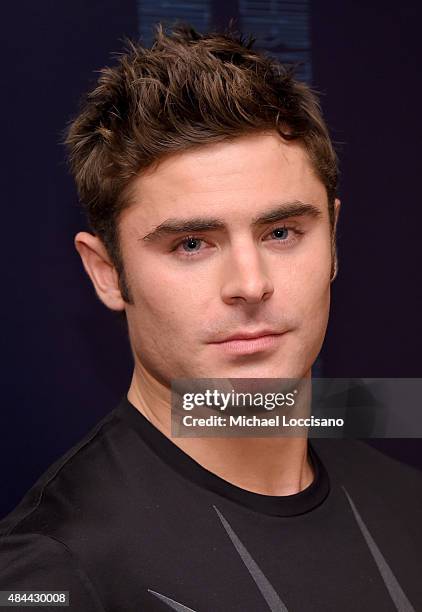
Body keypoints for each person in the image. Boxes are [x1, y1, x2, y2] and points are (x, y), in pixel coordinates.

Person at [0, 23, 421, 612]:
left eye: (281, 232)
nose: (250, 285)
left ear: (333, 241)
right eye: (192, 244)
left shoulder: (407, 503)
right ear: (107, 272)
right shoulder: (49, 569)